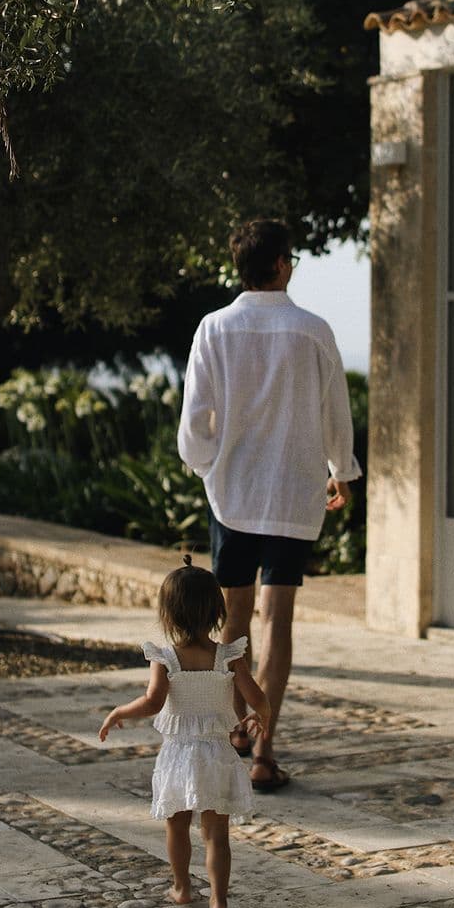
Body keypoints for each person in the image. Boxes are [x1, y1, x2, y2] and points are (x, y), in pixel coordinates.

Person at [177, 217, 361, 793]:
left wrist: (211, 468)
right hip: (292, 494)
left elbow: (194, 423)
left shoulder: (213, 329)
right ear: (282, 264)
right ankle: (265, 750)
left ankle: (239, 728)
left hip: (233, 496)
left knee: (234, 621)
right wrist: (342, 472)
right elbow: (337, 413)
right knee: (278, 619)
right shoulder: (313, 331)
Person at [99, 557, 270, 908]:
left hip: (178, 755)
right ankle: (219, 904)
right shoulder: (229, 656)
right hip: (218, 755)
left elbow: (153, 702)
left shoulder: (166, 659)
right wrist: (263, 716)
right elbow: (257, 697)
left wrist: (119, 712)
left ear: (169, 614)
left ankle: (181, 887)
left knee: (177, 826)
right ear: (216, 611)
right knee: (217, 836)